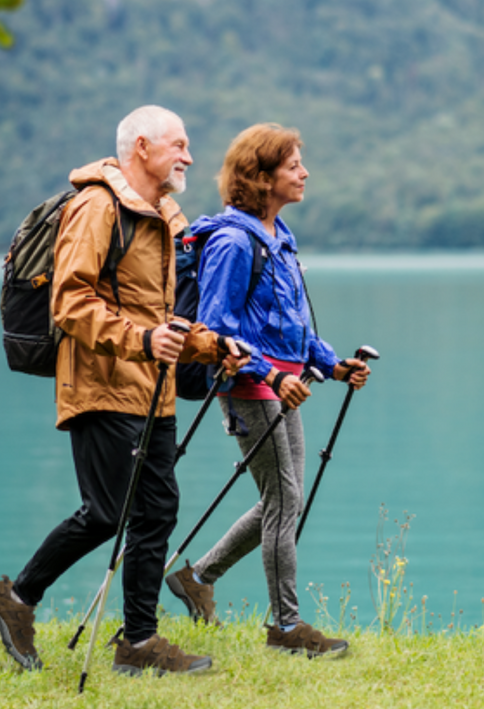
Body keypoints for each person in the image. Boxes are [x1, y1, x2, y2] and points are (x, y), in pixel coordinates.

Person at [0, 105, 247, 676]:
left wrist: (213, 347)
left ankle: (140, 642)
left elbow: (161, 318)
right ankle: (16, 598)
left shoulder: (160, 219)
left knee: (158, 510)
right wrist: (144, 341)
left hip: (152, 389)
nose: (189, 157)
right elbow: (70, 303)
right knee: (106, 513)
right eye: (179, 145)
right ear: (143, 147)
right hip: (101, 385)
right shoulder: (97, 207)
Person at [164, 123, 370, 657]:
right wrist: (270, 375)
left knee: (283, 500)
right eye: (293, 165)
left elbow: (292, 325)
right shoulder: (233, 242)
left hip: (285, 387)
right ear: (261, 175)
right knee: (284, 501)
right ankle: (285, 627)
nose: (304, 173)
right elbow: (215, 329)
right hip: (250, 389)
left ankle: (198, 577)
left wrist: (333, 364)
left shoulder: (278, 235)